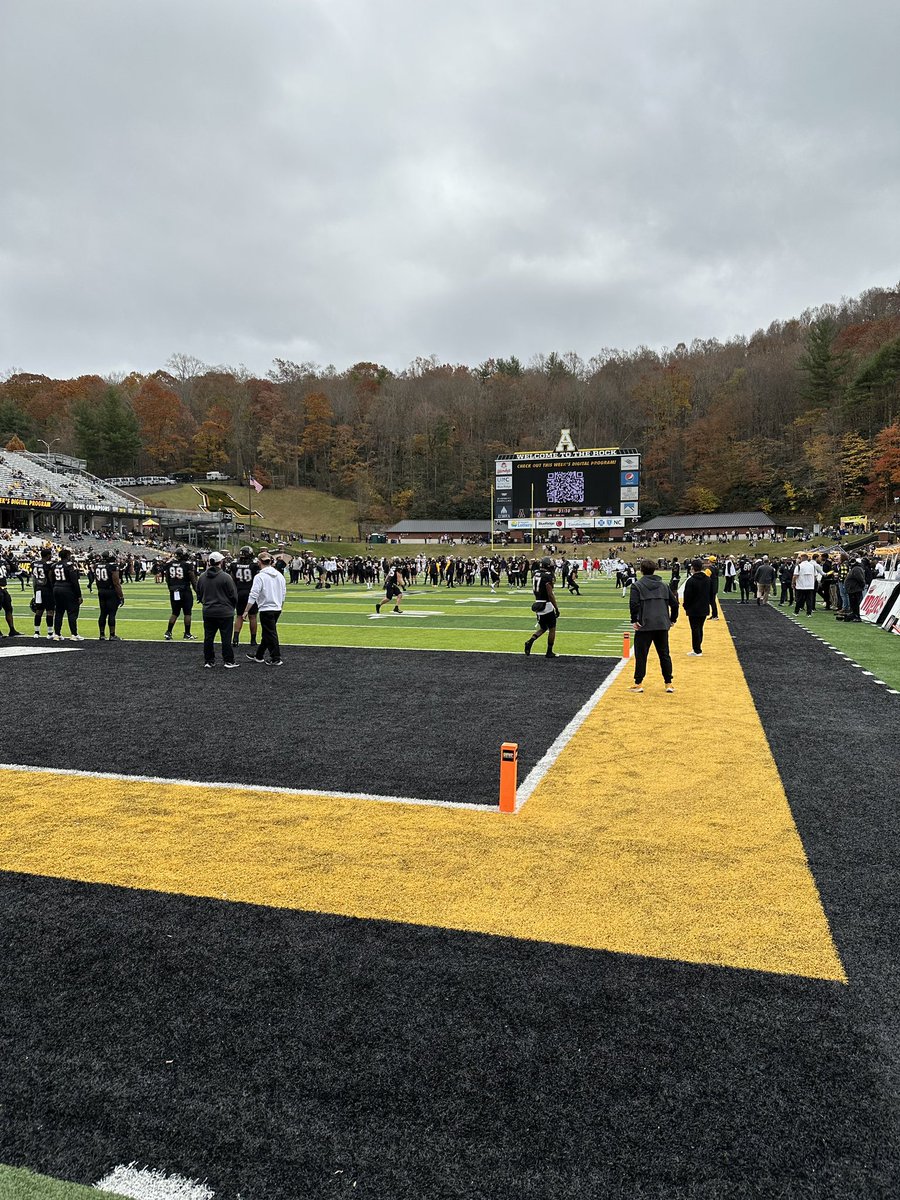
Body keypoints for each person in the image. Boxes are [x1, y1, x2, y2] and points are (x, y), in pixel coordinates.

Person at [628, 558, 678, 693]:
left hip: (645, 625)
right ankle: (668, 683)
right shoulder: (663, 585)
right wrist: (673, 619)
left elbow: (634, 604)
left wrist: (634, 619)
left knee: (641, 655)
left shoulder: (637, 585)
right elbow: (674, 604)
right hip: (662, 624)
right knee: (664, 654)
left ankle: (639, 683)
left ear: (641, 570)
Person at [196, 551, 239, 667]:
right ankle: (228, 660)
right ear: (221, 562)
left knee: (208, 638)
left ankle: (209, 661)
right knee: (225, 638)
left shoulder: (202, 577)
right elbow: (233, 595)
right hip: (225, 612)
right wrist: (231, 606)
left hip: (208, 611)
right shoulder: (226, 577)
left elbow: (198, 594)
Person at [244, 550, 287, 666]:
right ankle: (259, 655)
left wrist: (246, 610)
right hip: (277, 607)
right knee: (268, 633)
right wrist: (280, 606)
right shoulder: (279, 575)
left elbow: (254, 594)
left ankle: (276, 657)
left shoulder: (260, 576)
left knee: (270, 633)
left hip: (266, 608)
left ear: (259, 562)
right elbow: (283, 593)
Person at [525, 557, 560, 658]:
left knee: (543, 628)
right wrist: (556, 608)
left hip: (538, 604)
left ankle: (530, 641)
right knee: (552, 629)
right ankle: (549, 652)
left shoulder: (535, 574)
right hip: (547, 605)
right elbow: (550, 594)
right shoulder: (547, 576)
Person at [163, 549, 197, 640]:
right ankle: (187, 634)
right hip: (185, 591)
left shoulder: (169, 564)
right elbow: (193, 580)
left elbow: (167, 579)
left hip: (174, 591)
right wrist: (198, 592)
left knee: (175, 613)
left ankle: (168, 632)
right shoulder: (187, 564)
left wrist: (171, 588)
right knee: (187, 613)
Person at [229, 546, 259, 648]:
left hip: (239, 592)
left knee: (239, 616)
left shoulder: (234, 564)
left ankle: (235, 639)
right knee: (253, 616)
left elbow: (232, 579)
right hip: (250, 593)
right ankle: (253, 640)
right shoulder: (254, 565)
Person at [51, 548, 83, 640]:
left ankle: (57, 634)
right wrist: (79, 595)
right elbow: (74, 581)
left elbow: (52, 579)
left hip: (57, 588)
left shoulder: (54, 565)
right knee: (72, 612)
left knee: (59, 612)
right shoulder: (70, 565)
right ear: (68, 556)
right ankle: (74, 634)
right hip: (68, 589)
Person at [682, 558, 711, 657]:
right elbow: (711, 593)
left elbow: (687, 596)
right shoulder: (707, 579)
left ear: (693, 568)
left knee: (695, 629)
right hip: (704, 607)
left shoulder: (691, 581)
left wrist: (686, 606)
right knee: (700, 628)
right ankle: (698, 647)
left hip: (694, 609)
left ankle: (697, 649)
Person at [95, 551, 124, 640]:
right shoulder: (113, 566)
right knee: (112, 614)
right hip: (111, 591)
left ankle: (102, 634)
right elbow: (116, 583)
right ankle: (112, 635)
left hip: (101, 590)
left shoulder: (97, 565)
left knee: (103, 613)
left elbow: (97, 581)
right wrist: (121, 596)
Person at [31, 546, 56, 637]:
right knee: (50, 611)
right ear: (48, 555)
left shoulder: (34, 563)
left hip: (38, 589)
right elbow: (50, 578)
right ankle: (50, 633)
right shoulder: (48, 565)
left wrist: (34, 592)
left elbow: (34, 579)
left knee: (39, 611)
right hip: (47, 589)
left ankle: (36, 632)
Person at [0, 558, 22, 638]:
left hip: (3, 588)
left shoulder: (3, 561)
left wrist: (8, 560)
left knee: (9, 609)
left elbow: (13, 569)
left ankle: (12, 630)